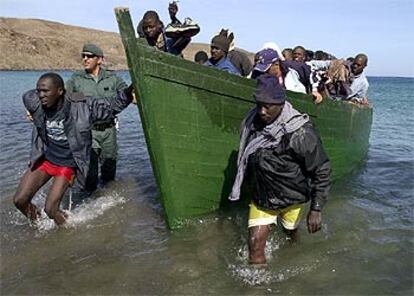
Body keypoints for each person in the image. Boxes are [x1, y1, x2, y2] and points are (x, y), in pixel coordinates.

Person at [228, 74, 331, 265]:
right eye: (259, 104)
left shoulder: (300, 133)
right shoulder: (253, 123)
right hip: (263, 199)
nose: (262, 111)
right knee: (255, 247)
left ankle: (294, 255)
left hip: (292, 198)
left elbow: (321, 169)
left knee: (290, 234)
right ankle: (256, 288)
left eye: (268, 106)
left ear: (281, 103)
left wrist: (316, 209)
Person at [13, 73, 134, 226]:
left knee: (51, 209)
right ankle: (39, 225)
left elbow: (110, 107)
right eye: (39, 91)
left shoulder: (82, 106)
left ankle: (66, 229)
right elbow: (28, 96)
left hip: (67, 164)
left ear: (60, 91)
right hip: (45, 158)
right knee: (19, 200)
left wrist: (129, 93)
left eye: (45, 91)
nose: (41, 95)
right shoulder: (35, 102)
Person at [66, 44, 128, 200]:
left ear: (100, 59)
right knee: (90, 173)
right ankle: (89, 203)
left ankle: (108, 205)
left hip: (109, 131)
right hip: (89, 132)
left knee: (109, 172)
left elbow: (127, 93)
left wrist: (134, 96)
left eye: (89, 56)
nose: (85, 59)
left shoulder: (113, 79)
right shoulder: (76, 80)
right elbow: (61, 97)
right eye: (83, 56)